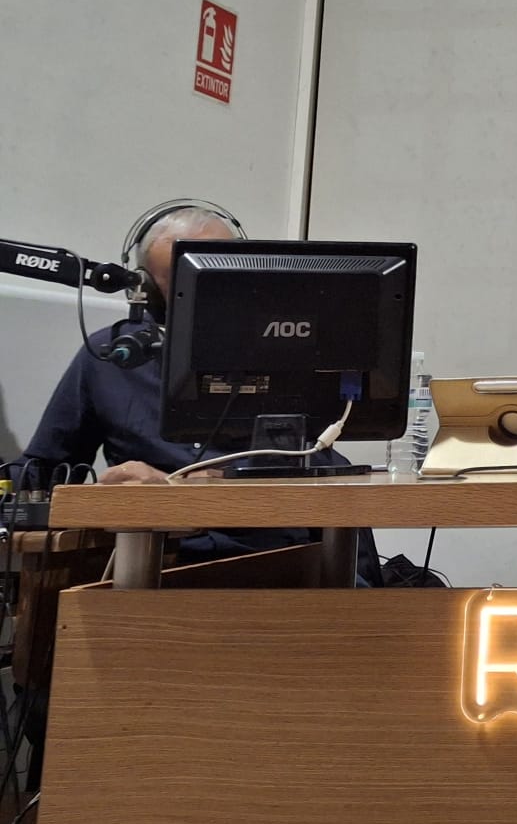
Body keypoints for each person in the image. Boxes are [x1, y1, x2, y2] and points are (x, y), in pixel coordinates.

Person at [19, 201, 372, 570]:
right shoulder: (110, 357)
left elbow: (320, 465)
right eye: (189, 277)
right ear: (148, 292)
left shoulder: (289, 347)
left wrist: (207, 486)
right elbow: (42, 470)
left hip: (279, 556)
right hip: (156, 562)